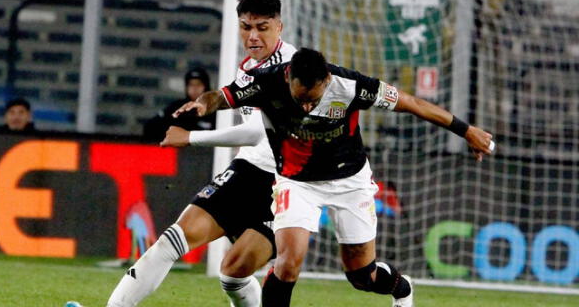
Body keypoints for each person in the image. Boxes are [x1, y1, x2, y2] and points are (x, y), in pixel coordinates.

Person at [173, 48, 495, 307]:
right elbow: (220, 96)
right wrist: (202, 106)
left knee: (361, 276)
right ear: (288, 77)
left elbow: (412, 103)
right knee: (287, 261)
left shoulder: (351, 85)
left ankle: (402, 287)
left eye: (314, 97)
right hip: (296, 183)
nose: (308, 105)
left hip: (349, 181)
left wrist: (466, 130)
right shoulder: (265, 82)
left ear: (327, 78)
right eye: (301, 99)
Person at [107, 0, 297, 307]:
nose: (253, 37)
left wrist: (191, 137)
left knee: (233, 273)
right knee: (172, 239)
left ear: (279, 26)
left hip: (286, 184)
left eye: (262, 28)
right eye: (245, 27)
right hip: (247, 170)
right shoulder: (248, 68)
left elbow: (259, 131)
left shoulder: (291, 69)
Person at [142, 67, 216, 142]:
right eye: (191, 85)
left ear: (206, 87)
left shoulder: (213, 111)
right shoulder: (177, 107)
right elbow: (151, 127)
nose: (194, 88)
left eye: (198, 85)